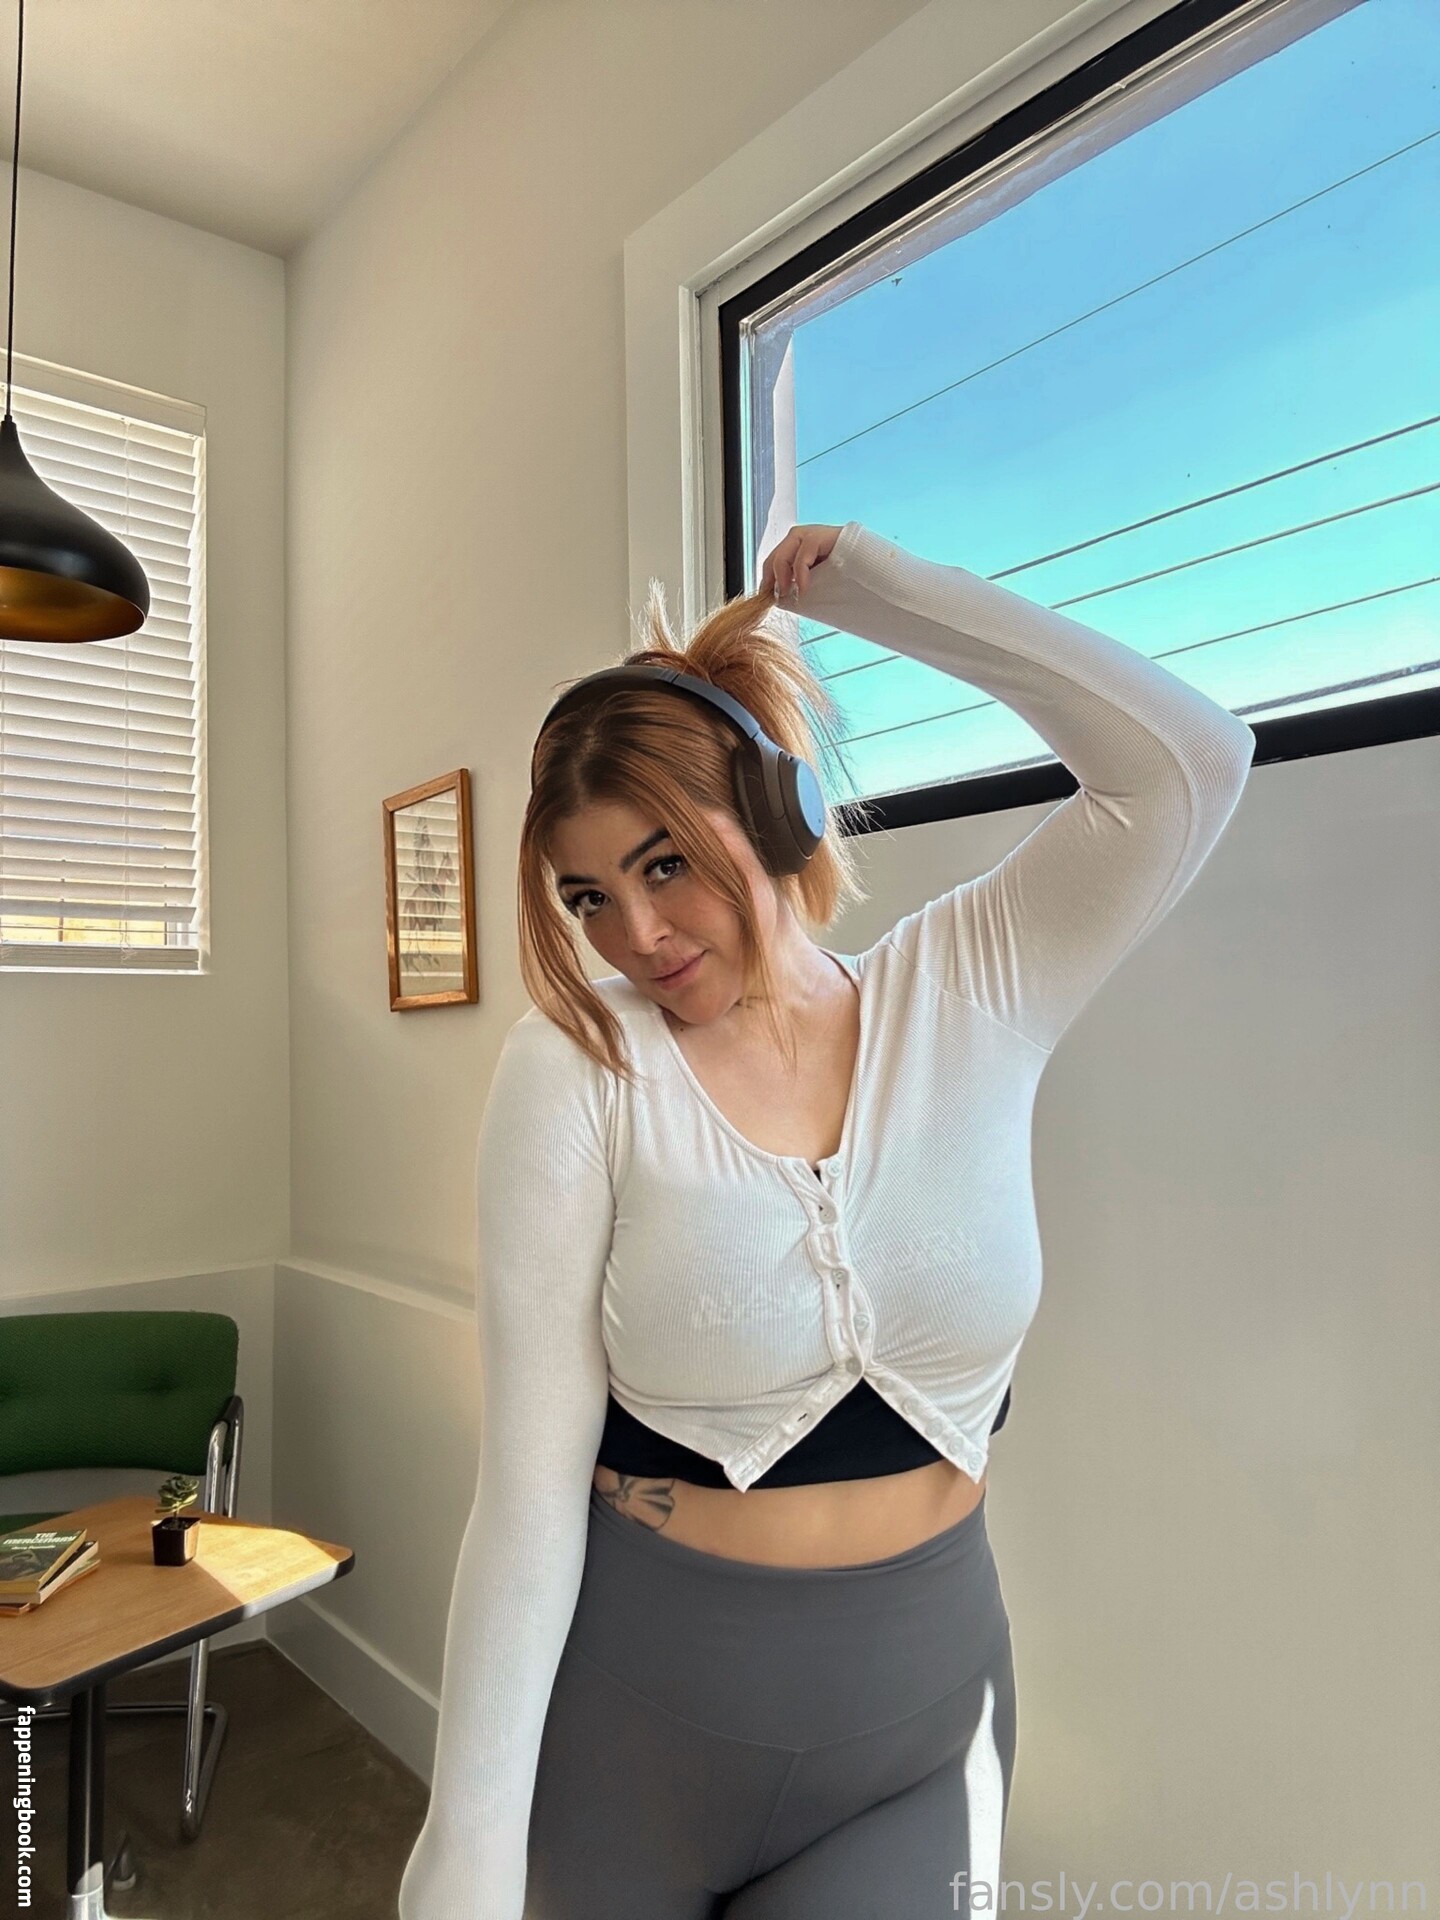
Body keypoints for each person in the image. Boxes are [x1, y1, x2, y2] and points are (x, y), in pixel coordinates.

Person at [397, 521, 1256, 1919]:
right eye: (588, 897)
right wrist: (467, 1848)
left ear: (778, 811)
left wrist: (886, 595)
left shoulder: (970, 986)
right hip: (633, 1732)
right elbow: (528, 1495)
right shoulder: (578, 1065)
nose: (633, 935)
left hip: (922, 1742)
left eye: (664, 864)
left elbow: (1191, 764)